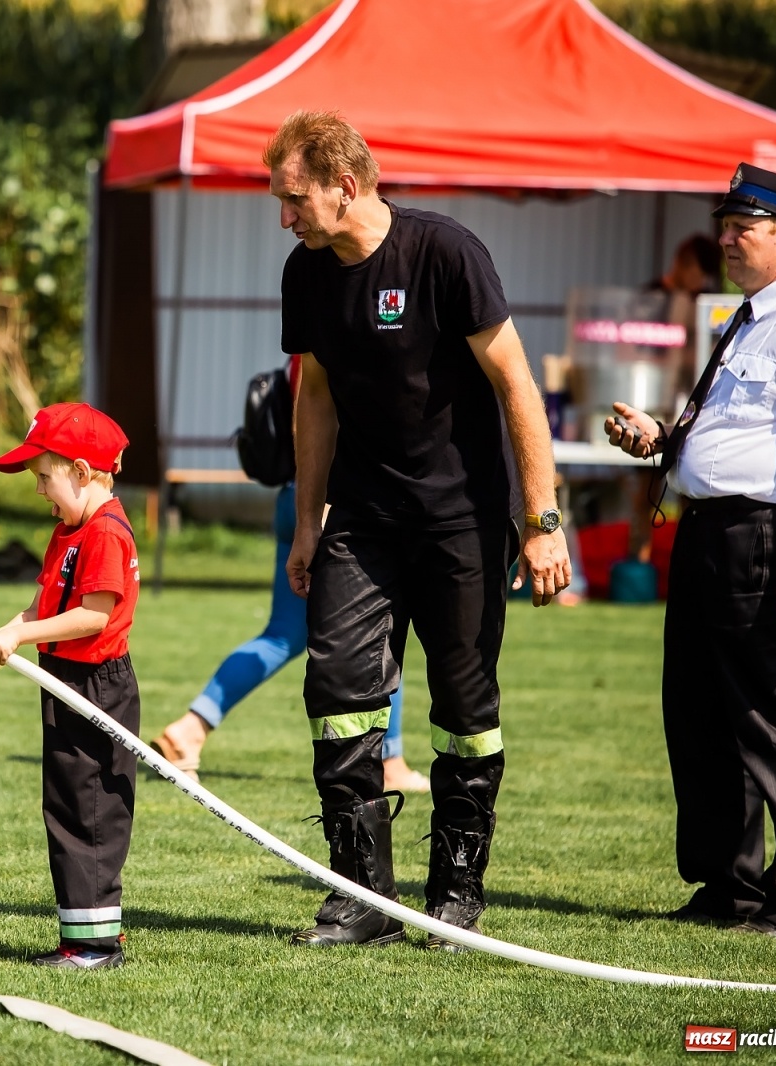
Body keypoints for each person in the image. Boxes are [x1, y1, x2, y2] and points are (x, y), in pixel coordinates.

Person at [268, 111, 571, 949]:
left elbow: (516, 384)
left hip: (463, 521)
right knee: (336, 697)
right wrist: (307, 523)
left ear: (347, 185)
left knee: (466, 709)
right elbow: (316, 398)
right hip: (361, 522)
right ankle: (361, 898)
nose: (283, 217)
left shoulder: (446, 253)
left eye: (293, 198)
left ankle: (454, 896)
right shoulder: (306, 274)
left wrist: (540, 521)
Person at [606, 163, 776, 937]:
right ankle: (730, 885)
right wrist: (659, 441)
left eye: (744, 225)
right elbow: (740, 432)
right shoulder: (747, 316)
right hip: (709, 531)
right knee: (700, 716)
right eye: (724, 224)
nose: (726, 237)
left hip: (766, 538)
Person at [0, 403, 142, 970]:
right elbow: (47, 605)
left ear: (83, 472)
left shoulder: (105, 534)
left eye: (45, 476)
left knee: (90, 812)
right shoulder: (68, 532)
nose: (41, 490)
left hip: (97, 687)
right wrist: (6, 634)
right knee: (65, 808)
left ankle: (95, 947)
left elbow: (92, 616)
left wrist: (22, 639)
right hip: (64, 678)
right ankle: (81, 940)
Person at [151, 478, 428, 792]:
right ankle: (389, 762)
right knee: (381, 630)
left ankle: (190, 730)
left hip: (294, 496)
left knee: (282, 636)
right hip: (335, 503)